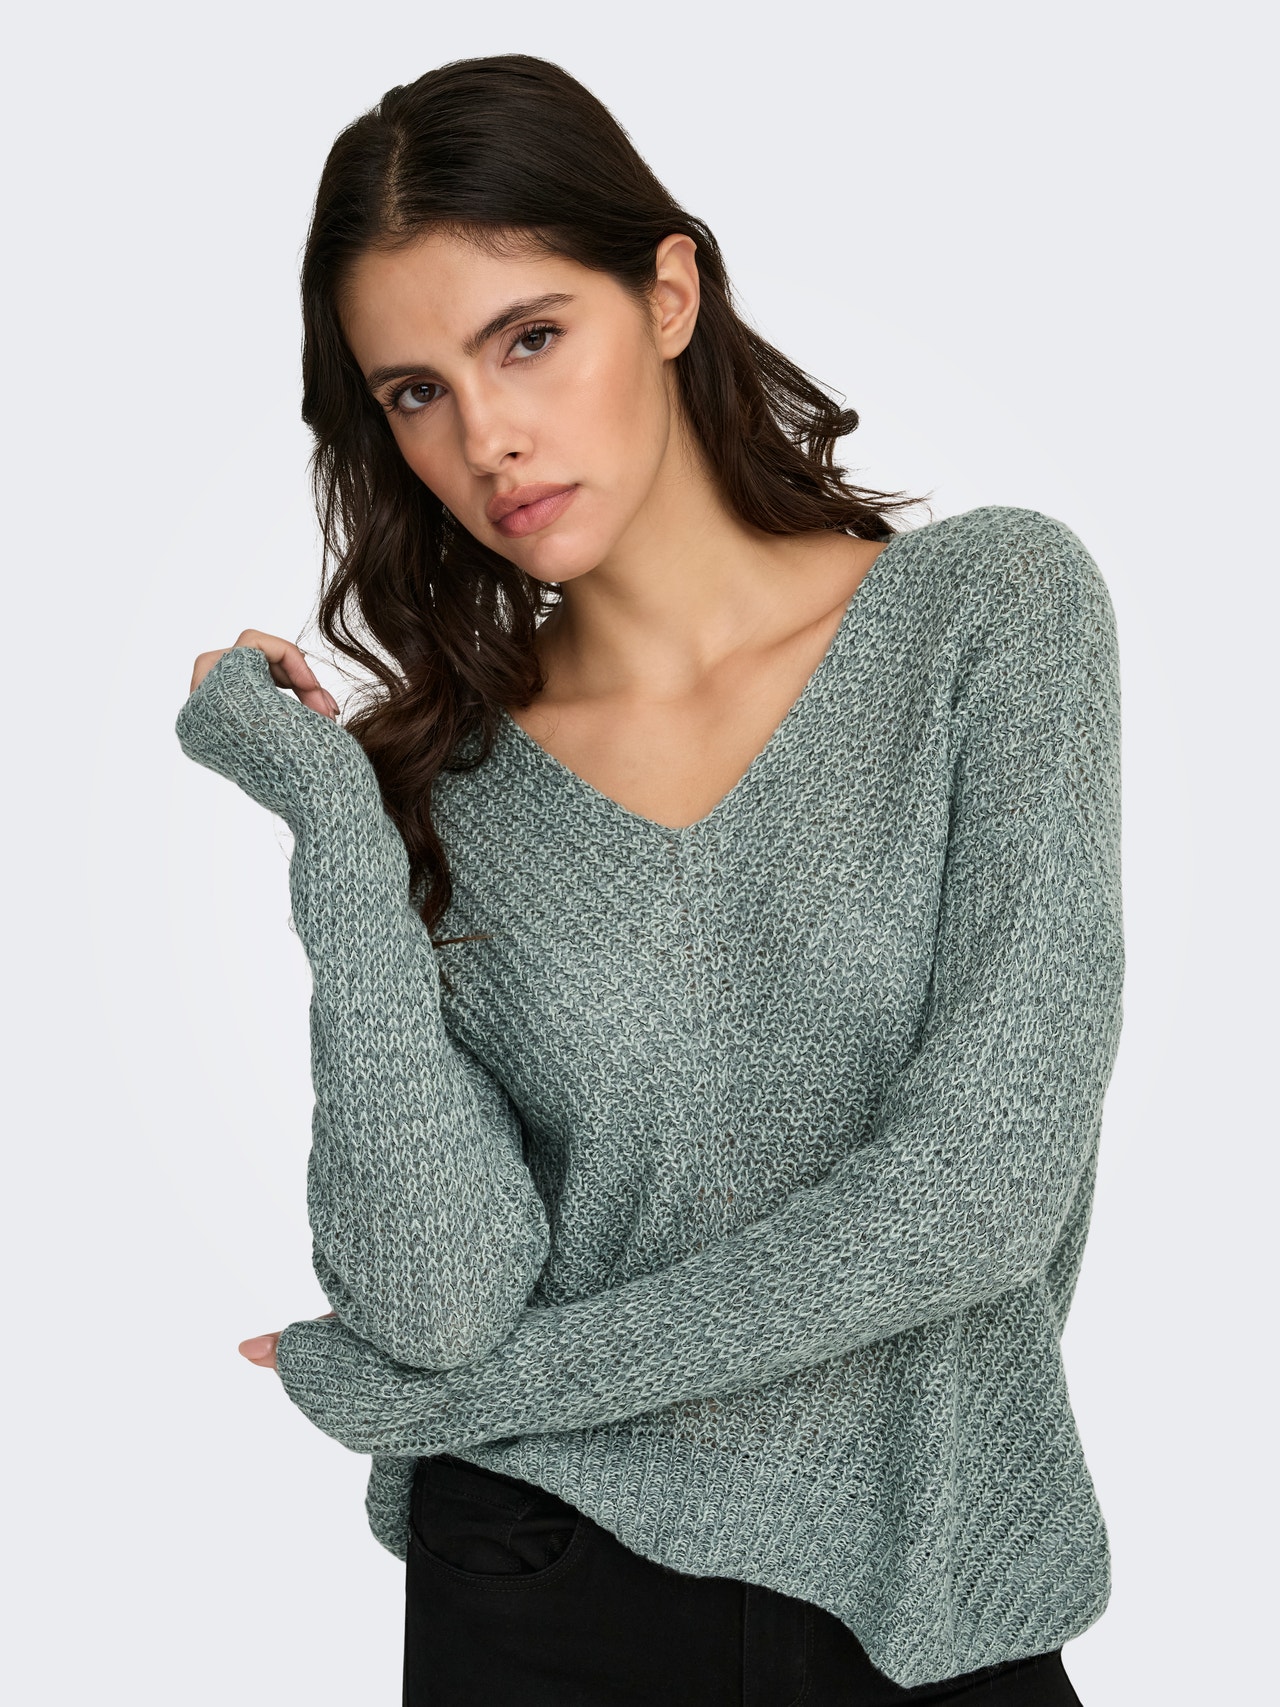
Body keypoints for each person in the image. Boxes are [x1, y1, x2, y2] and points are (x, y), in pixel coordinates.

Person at [176, 53, 1123, 1707]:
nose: (488, 436)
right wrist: (333, 827)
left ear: (668, 293)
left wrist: (474, 1399)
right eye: (415, 392)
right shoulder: (434, 788)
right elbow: (438, 1302)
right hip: (542, 1576)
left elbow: (981, 1195)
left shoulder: (989, 616)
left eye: (529, 338)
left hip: (931, 1577)